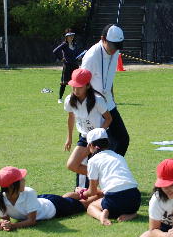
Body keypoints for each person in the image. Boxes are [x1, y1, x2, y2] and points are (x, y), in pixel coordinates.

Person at [80, 24, 130, 156]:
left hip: (108, 103)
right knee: (95, 145)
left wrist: (112, 99)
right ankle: (94, 167)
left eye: (118, 46)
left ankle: (110, 166)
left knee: (122, 139)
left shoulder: (115, 51)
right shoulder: (91, 57)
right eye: (113, 46)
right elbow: (81, 84)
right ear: (103, 39)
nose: (115, 50)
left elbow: (109, 77)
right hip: (93, 105)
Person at [0, 166, 87, 231]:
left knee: (86, 204)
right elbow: (5, 220)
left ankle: (91, 193)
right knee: (65, 199)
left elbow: (31, 221)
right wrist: (0, 224)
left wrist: (13, 226)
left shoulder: (29, 192)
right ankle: (79, 193)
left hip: (55, 207)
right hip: (41, 202)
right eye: (21, 179)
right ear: (12, 186)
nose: (24, 180)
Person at [78, 128, 141, 226]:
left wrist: (82, 192)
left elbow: (92, 191)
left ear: (91, 145)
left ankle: (101, 216)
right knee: (126, 205)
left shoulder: (92, 161)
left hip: (115, 200)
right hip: (135, 199)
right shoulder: (118, 156)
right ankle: (131, 214)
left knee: (91, 207)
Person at [63, 68, 112, 182]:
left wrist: (98, 135)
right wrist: (69, 138)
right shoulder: (69, 100)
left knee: (97, 164)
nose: (76, 90)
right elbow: (70, 118)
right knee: (71, 165)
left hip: (100, 140)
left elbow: (109, 119)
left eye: (80, 87)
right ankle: (102, 178)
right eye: (74, 86)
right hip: (84, 137)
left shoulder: (97, 100)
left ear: (88, 85)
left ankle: (102, 182)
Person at [53, 28, 80, 104]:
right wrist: (61, 59)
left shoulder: (75, 45)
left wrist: (79, 57)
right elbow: (55, 51)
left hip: (75, 66)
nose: (71, 37)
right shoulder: (64, 44)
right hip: (67, 66)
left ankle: (75, 98)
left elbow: (77, 54)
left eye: (72, 36)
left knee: (76, 83)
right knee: (64, 83)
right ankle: (60, 98)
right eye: (69, 36)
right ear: (66, 37)